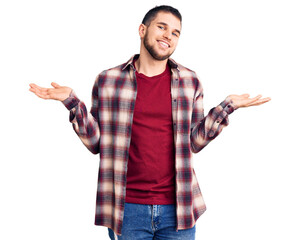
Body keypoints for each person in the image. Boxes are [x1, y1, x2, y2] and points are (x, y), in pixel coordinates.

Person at [29, 5, 271, 240]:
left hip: (179, 209)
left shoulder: (190, 81)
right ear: (142, 30)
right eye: (162, 27)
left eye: (175, 32)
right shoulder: (108, 80)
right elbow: (96, 143)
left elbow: (194, 142)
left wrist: (226, 107)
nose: (168, 35)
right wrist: (72, 103)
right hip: (126, 209)